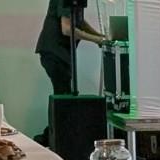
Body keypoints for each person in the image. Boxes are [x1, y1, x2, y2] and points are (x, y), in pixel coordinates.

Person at [34, 0, 106, 144]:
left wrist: (101, 37)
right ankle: (50, 139)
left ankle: (50, 137)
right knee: (63, 98)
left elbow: (78, 21)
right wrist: (97, 39)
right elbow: (67, 29)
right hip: (55, 52)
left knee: (64, 97)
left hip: (60, 54)